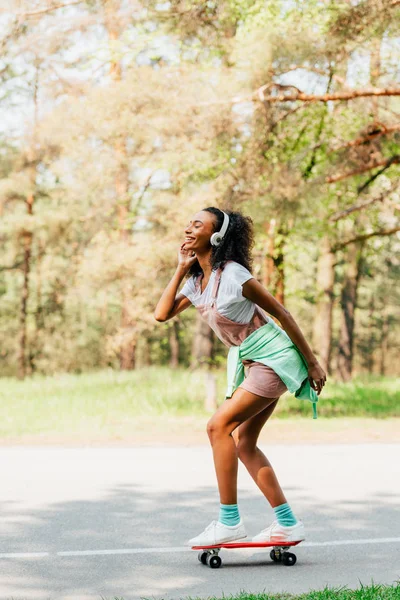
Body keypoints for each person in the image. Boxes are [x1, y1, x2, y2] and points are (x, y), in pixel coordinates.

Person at [154, 207, 326, 547]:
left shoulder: (233, 275)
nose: (189, 228)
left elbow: (282, 313)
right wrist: (180, 268)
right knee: (244, 444)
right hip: (253, 361)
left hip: (274, 359)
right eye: (189, 222)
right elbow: (162, 314)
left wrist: (312, 363)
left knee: (218, 427)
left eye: (198, 224)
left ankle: (229, 520)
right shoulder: (198, 281)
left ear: (217, 237)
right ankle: (288, 523)